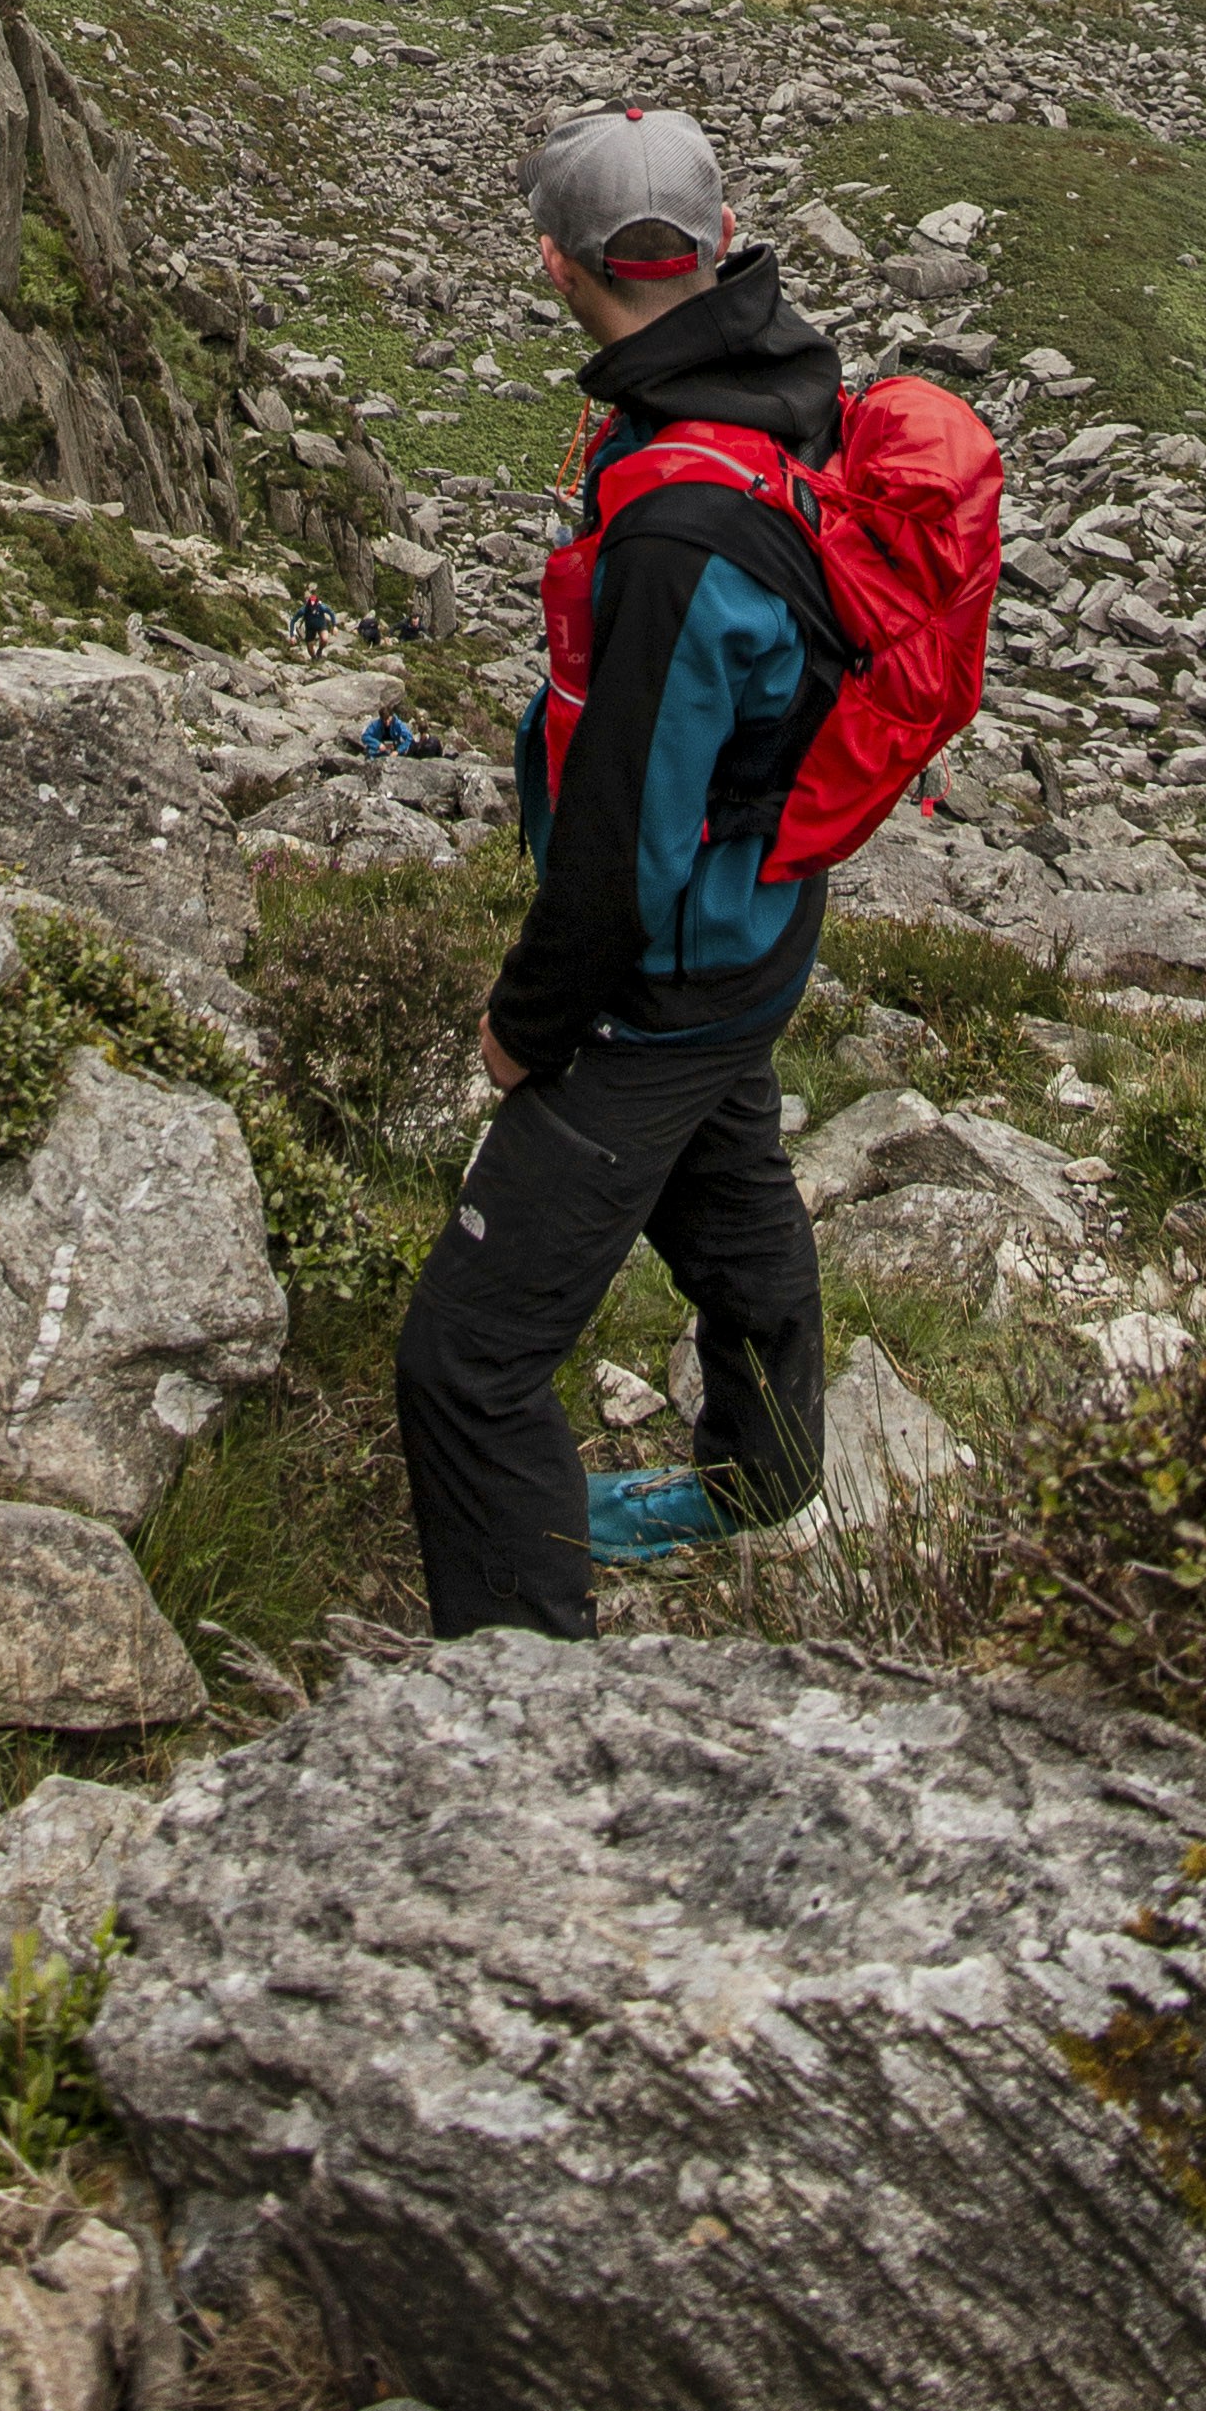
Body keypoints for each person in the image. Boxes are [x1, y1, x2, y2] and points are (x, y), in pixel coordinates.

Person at [393, 100, 846, 1635]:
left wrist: (529, 1023)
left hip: (667, 968)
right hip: (763, 917)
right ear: (715, 250)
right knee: (732, 1182)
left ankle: (520, 1697)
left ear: (553, 264)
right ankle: (764, 1475)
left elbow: (619, 848)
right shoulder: (778, 383)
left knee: (468, 1356)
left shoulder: (674, 529)